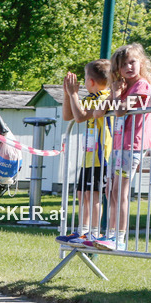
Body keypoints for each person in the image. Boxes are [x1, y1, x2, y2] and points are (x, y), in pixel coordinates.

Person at [93, 43, 151, 251]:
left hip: (132, 144)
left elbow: (120, 112)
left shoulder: (141, 85)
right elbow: (98, 113)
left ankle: (119, 237)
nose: (128, 67)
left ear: (141, 63)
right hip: (119, 145)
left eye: (132, 62)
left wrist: (117, 97)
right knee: (111, 190)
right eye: (123, 65)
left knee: (121, 191)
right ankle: (109, 234)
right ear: (116, 70)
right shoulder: (122, 87)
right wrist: (113, 92)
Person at [57, 60, 112, 248]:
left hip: (101, 155)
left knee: (93, 194)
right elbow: (68, 115)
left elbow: (80, 117)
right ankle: (83, 230)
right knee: (83, 193)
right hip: (88, 156)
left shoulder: (104, 97)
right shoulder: (91, 97)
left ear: (91, 81)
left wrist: (73, 93)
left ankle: (94, 232)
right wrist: (67, 94)